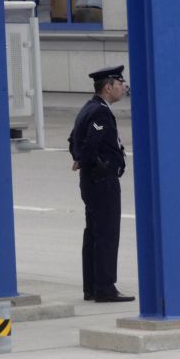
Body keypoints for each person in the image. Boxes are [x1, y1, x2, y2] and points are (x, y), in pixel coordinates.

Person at [68, 65, 134, 303]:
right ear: (108, 87)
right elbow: (89, 144)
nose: (124, 87)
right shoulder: (100, 113)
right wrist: (86, 161)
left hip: (92, 181)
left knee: (93, 234)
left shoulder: (89, 108)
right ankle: (105, 287)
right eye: (120, 83)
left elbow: (73, 138)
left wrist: (78, 159)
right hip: (102, 181)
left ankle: (92, 287)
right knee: (106, 234)